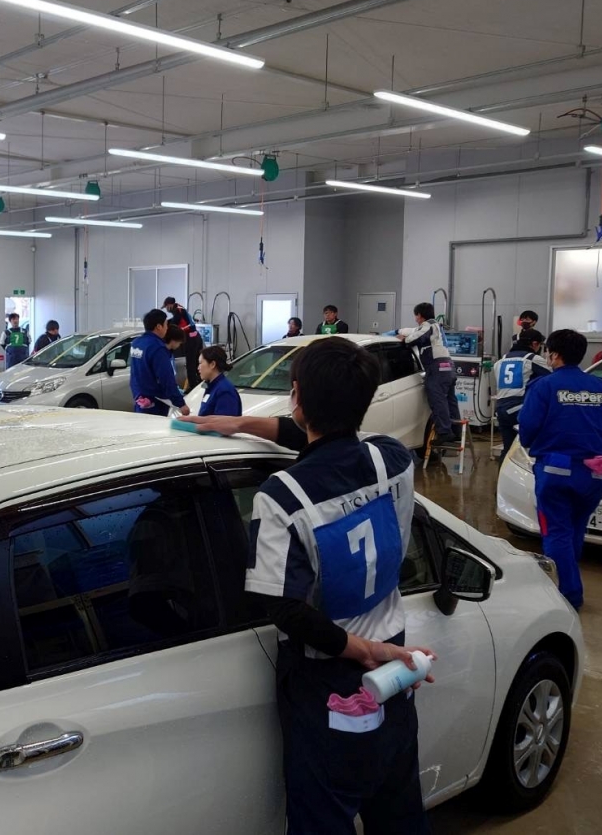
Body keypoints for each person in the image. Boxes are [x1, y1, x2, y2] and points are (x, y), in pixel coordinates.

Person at [245, 337, 433, 835]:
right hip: (395, 668)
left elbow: (285, 609)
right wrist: (240, 424)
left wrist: (362, 650)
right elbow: (338, 439)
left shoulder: (281, 497)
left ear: (296, 397)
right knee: (400, 810)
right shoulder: (393, 459)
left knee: (322, 819)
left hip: (327, 676)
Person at [518, 329, 602, 609]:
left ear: (554, 355)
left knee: (556, 532)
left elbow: (527, 429)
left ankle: (569, 596)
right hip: (593, 474)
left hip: (555, 473)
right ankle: (568, 579)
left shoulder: (544, 386)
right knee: (575, 530)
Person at [399, 302, 460, 447]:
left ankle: (445, 433)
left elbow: (415, 338)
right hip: (448, 366)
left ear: (420, 315)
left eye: (416, 316)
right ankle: (456, 431)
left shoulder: (428, 325)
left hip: (437, 368)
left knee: (437, 399)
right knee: (450, 400)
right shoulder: (436, 326)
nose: (416, 319)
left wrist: (404, 340)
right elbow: (414, 331)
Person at [494, 328, 551, 462]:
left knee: (508, 448)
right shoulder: (532, 359)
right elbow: (553, 377)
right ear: (535, 344)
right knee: (526, 450)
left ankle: (502, 473)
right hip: (519, 408)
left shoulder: (501, 360)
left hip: (501, 408)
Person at [130, 310, 189, 417]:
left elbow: (134, 375)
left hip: (140, 400)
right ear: (159, 327)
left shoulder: (136, 343)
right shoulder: (157, 348)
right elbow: (166, 378)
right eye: (166, 324)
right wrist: (181, 404)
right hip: (155, 403)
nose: (167, 328)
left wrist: (137, 396)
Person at [163, 296, 204, 388]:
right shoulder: (179, 308)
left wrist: (165, 326)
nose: (166, 309)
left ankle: (193, 388)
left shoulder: (178, 310)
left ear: (170, 305)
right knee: (197, 364)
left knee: (191, 366)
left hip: (191, 339)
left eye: (166, 307)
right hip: (196, 337)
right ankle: (200, 386)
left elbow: (173, 324)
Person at [196, 346, 242, 417]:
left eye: (200, 363)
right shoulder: (212, 387)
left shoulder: (225, 392)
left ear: (212, 364)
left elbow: (224, 422)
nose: (198, 368)